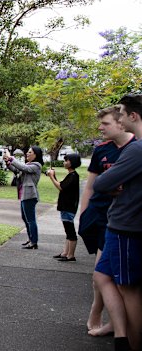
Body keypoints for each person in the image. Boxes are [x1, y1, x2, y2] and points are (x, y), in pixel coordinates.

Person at [79, 106, 135, 337]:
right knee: (101, 274)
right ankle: (104, 316)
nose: (100, 128)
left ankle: (107, 319)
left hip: (127, 220)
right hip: (101, 218)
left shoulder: (136, 148)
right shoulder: (101, 150)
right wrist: (83, 214)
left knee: (109, 276)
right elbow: (91, 185)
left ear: (122, 122)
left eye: (106, 123)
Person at [93, 94, 142, 351]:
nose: (119, 118)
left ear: (133, 116)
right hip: (120, 224)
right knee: (102, 275)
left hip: (127, 227)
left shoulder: (137, 148)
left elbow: (101, 183)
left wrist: (112, 183)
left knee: (128, 288)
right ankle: (120, 333)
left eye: (121, 114)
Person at [4, 145, 44, 249]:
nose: (27, 153)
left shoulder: (37, 165)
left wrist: (11, 157)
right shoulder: (28, 164)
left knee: (30, 219)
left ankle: (34, 242)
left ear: (36, 155)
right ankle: (30, 239)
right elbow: (17, 170)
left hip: (30, 195)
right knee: (25, 218)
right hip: (24, 194)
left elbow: (23, 167)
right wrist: (8, 162)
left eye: (30, 152)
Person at [46, 153, 81, 262]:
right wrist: (54, 176)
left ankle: (71, 255)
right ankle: (65, 253)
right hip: (66, 207)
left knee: (70, 231)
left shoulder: (74, 176)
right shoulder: (71, 175)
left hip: (68, 207)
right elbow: (61, 185)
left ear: (72, 162)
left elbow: (61, 187)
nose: (64, 162)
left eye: (66, 160)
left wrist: (51, 176)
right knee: (67, 231)